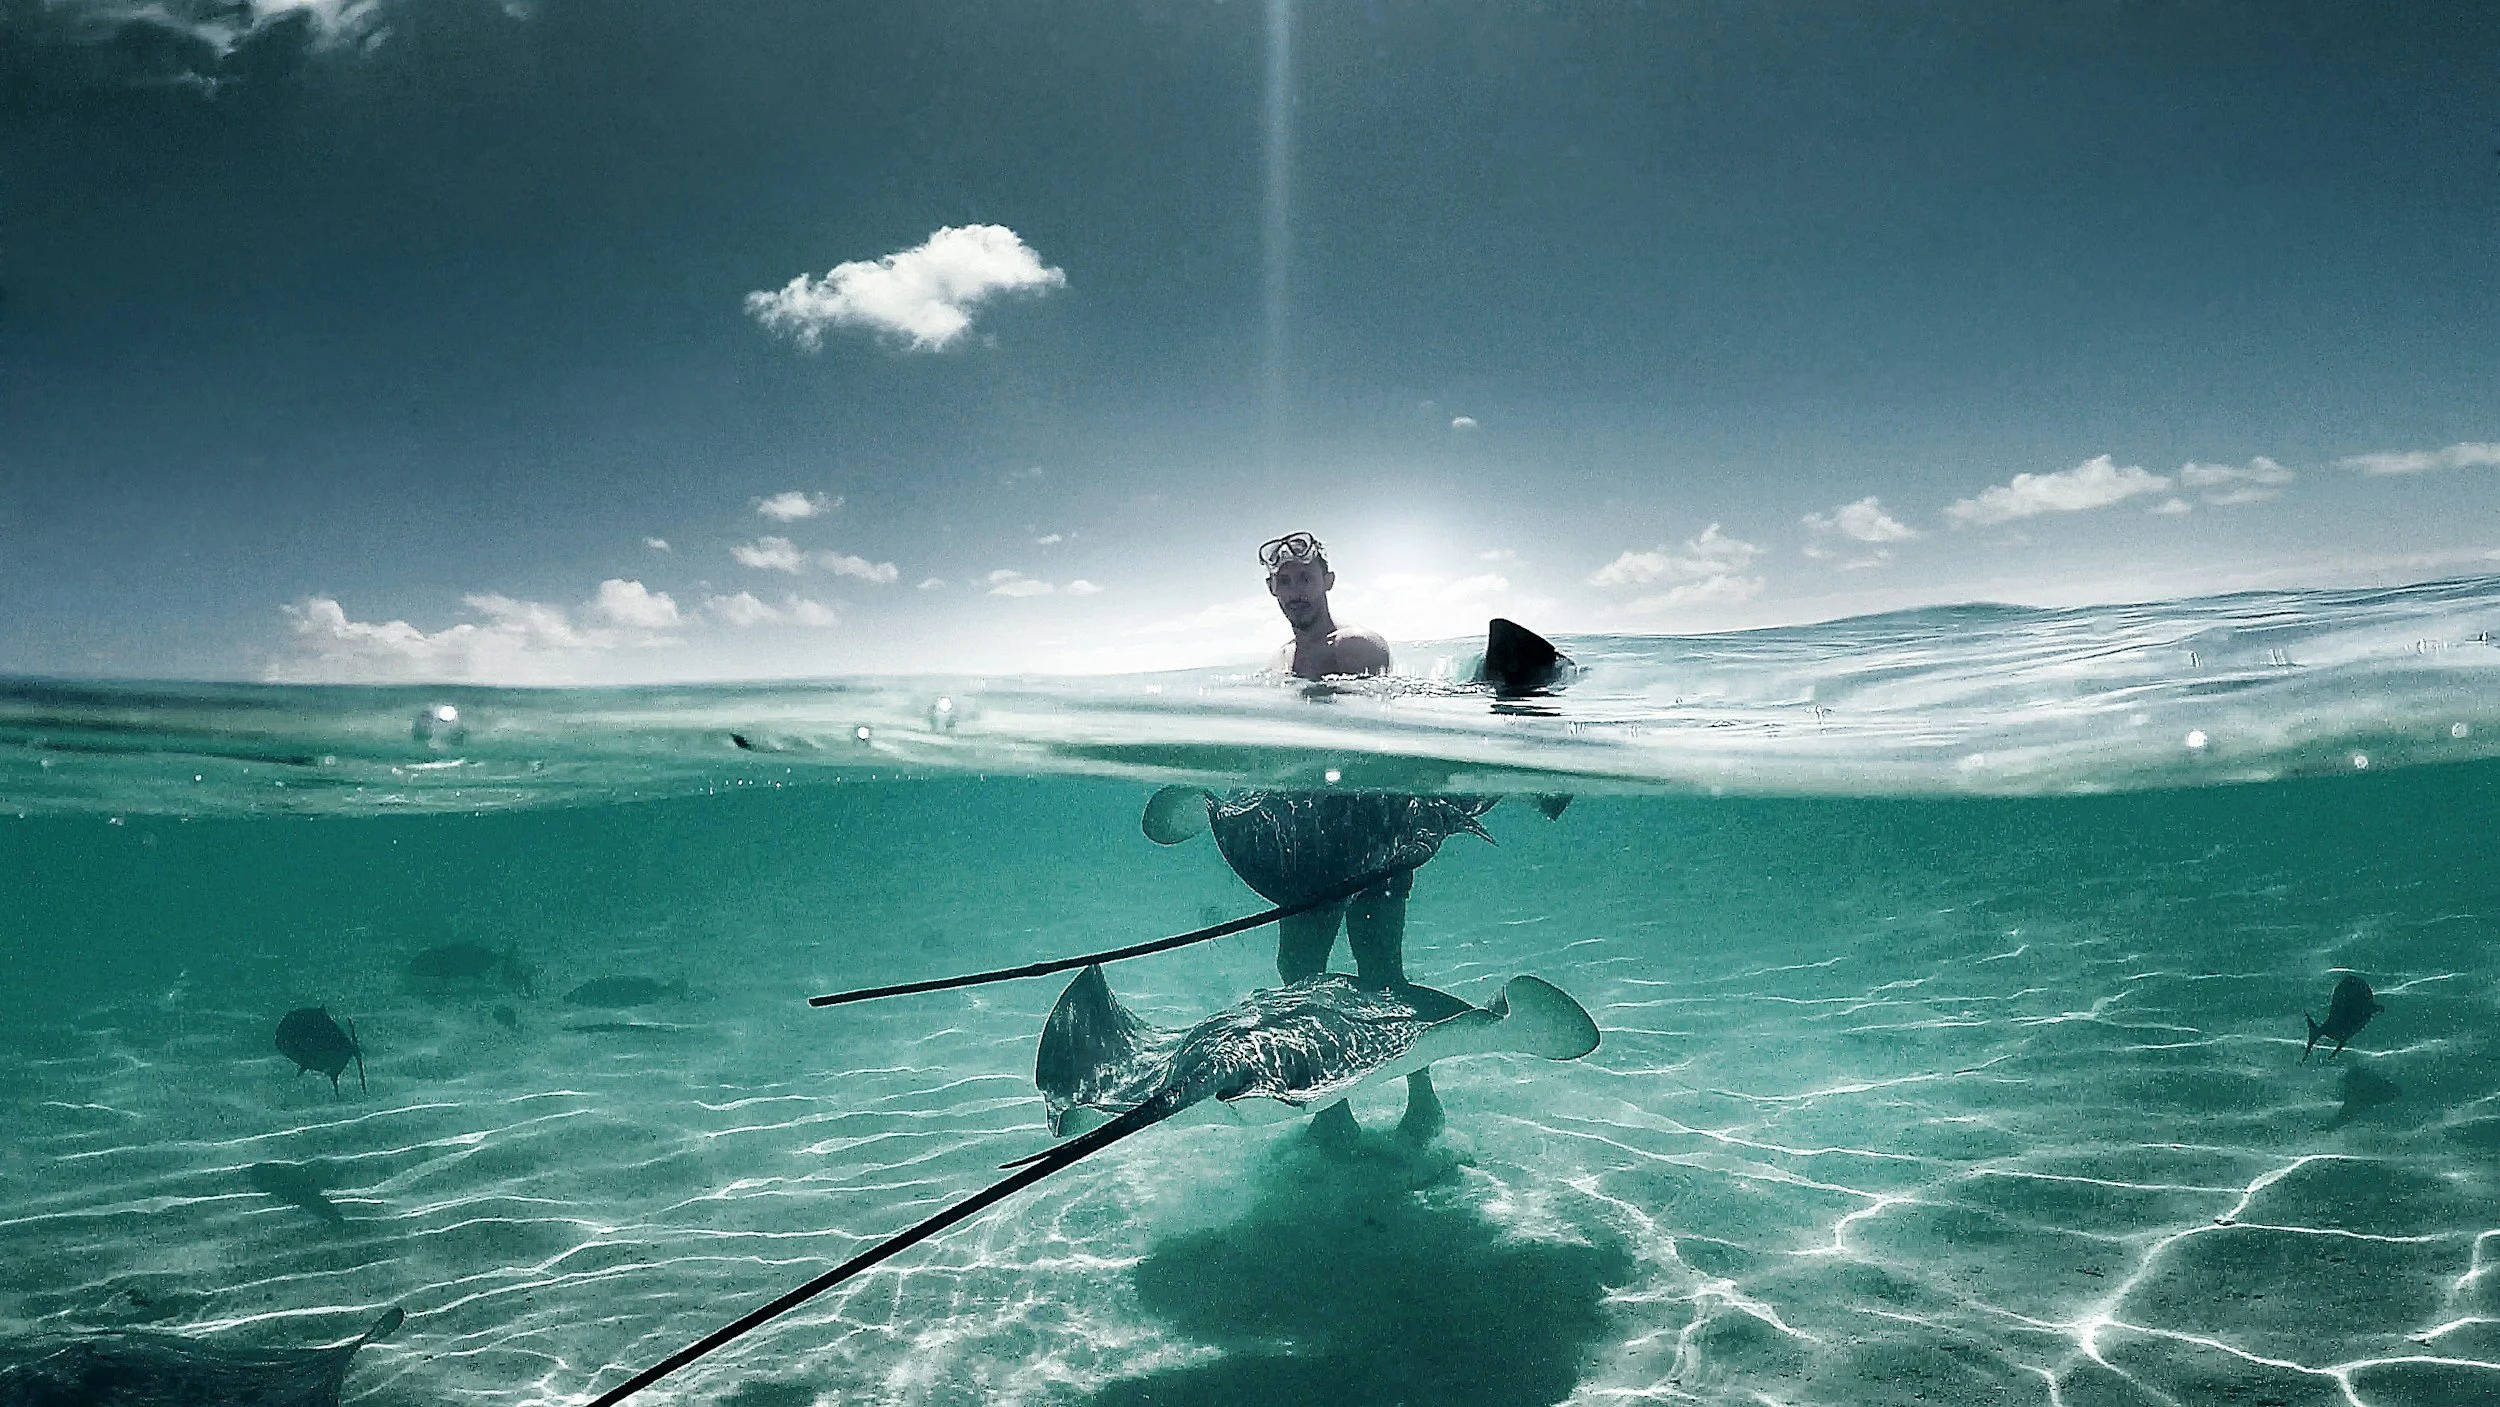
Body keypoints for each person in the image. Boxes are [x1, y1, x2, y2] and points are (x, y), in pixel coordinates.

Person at [1256, 530, 1442, 1147]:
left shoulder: (1356, 646)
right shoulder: (1278, 664)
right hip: (1306, 840)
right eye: (1284, 583)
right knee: (1298, 968)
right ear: (1272, 591)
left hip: (1370, 832)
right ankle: (1329, 1109)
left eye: (1306, 579)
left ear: (1328, 582)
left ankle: (1423, 1098)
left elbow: (1383, 733)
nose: (1295, 593)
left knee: (1380, 967)